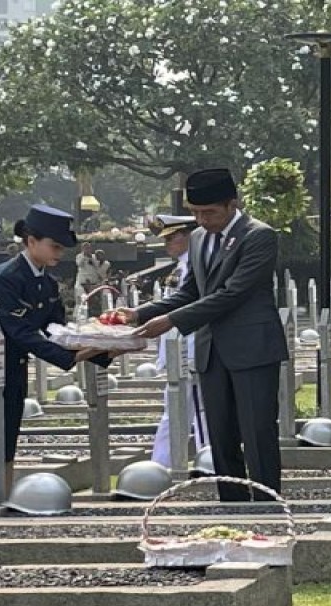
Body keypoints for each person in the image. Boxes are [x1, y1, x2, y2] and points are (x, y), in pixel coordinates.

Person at [118, 168, 287, 502]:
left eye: (209, 212)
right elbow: (191, 291)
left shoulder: (258, 236)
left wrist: (171, 321)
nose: (202, 220)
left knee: (257, 433)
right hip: (212, 350)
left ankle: (268, 506)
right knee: (220, 436)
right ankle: (233, 504)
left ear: (232, 204)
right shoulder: (197, 238)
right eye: (195, 213)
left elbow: (232, 293)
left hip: (252, 348)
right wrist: (141, 313)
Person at [0, 205, 110, 494]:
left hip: (14, 363)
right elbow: (20, 331)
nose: (59, 253)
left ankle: (3, 495)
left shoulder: (47, 282)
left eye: (62, 248)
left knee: (8, 433)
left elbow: (56, 329)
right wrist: (69, 357)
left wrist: (103, 347)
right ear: (31, 241)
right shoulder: (5, 278)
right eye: (54, 246)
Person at [149, 214, 210, 466]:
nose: (167, 245)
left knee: (200, 412)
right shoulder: (181, 267)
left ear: (188, 236)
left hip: (190, 350)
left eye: (171, 238)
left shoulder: (194, 266)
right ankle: (162, 465)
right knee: (177, 412)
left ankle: (208, 463)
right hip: (178, 350)